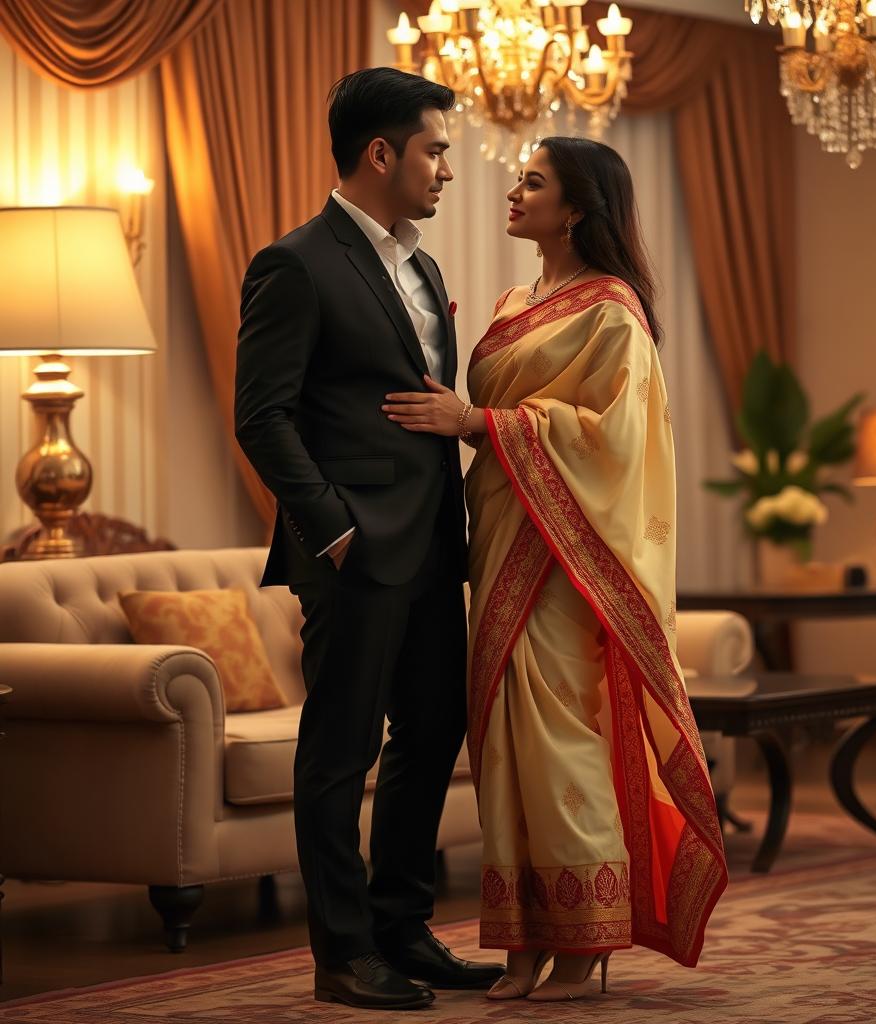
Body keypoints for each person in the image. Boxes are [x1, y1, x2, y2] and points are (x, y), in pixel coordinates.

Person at [383, 136, 728, 1003]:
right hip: (501, 535)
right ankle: (524, 943)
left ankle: (584, 941)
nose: (513, 189)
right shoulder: (514, 300)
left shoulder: (612, 311)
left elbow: (617, 439)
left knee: (557, 743)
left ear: (575, 209)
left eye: (532, 181)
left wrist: (480, 425)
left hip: (567, 555)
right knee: (503, 745)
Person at [234, 67, 503, 1012]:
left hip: (434, 540)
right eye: (435, 149)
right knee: (340, 749)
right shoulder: (295, 264)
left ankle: (402, 927)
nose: (447, 170)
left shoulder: (421, 264)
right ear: (381, 153)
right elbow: (262, 418)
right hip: (353, 548)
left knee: (435, 730)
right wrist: (335, 531)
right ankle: (342, 954)